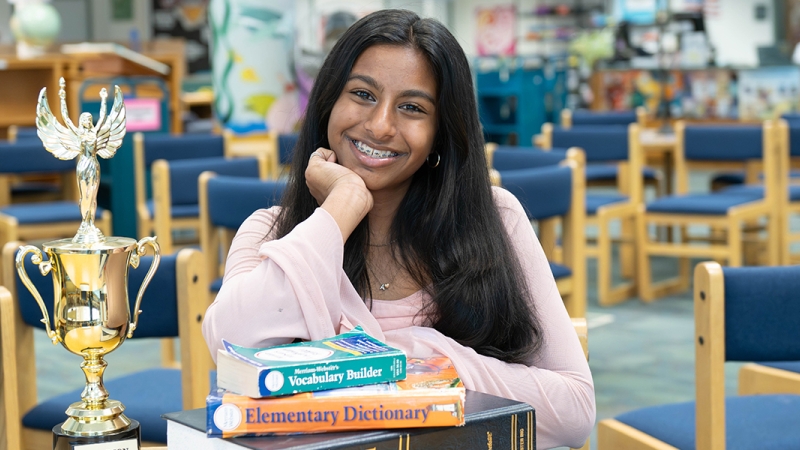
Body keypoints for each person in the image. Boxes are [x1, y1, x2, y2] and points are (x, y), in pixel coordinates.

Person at [203, 9, 594, 448]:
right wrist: (343, 206)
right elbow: (229, 347)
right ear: (329, 101)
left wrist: (417, 354)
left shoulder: (496, 220)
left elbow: (575, 412)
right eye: (363, 94)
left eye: (412, 107)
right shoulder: (272, 234)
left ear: (440, 134)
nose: (380, 125)